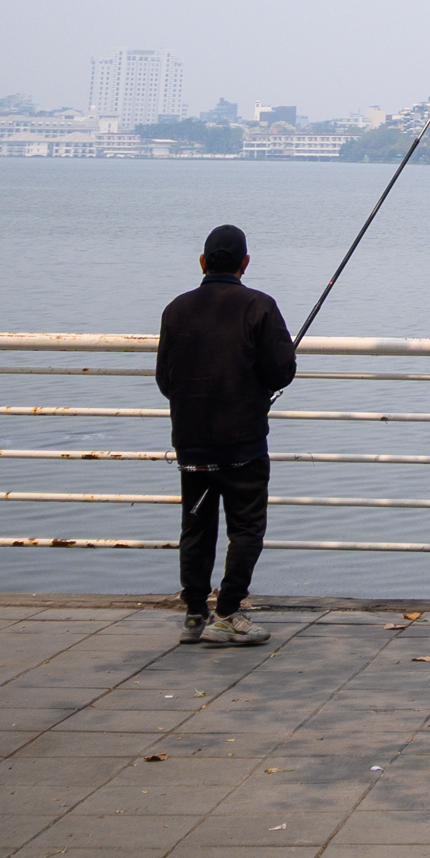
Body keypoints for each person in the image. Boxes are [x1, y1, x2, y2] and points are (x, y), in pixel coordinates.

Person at [155, 222, 296, 644]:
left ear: (202, 261)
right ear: (245, 263)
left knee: (196, 525)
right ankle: (229, 609)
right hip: (243, 446)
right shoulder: (260, 307)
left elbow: (165, 380)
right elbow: (281, 372)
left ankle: (194, 612)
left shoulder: (176, 309)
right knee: (246, 528)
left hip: (193, 444)